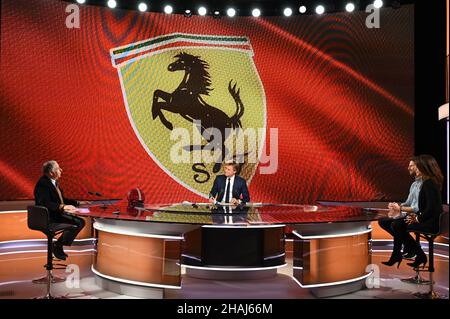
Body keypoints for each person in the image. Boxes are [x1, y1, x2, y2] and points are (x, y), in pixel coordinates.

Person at [381, 154, 443, 269]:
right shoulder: (428, 183)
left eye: (418, 167)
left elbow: (431, 209)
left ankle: (417, 254)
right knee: (395, 224)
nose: (416, 170)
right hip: (427, 220)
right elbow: (426, 208)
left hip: (431, 223)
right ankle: (417, 255)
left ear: (425, 168)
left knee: (397, 225)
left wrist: (417, 218)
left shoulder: (429, 184)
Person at [34, 160, 86, 260]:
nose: (61, 170)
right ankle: (58, 245)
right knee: (78, 222)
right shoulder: (43, 183)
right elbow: (44, 203)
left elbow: (61, 199)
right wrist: (62, 207)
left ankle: (58, 245)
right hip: (49, 218)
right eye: (58, 168)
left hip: (56, 214)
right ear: (51, 173)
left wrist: (78, 203)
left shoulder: (53, 182)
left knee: (80, 222)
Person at [378, 158, 423, 258]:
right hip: (410, 214)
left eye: (411, 165)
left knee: (396, 224)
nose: (408, 168)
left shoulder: (425, 185)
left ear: (419, 167)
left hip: (418, 217)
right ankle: (409, 246)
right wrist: (396, 206)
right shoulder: (414, 184)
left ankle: (414, 248)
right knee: (383, 221)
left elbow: (417, 208)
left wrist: (400, 209)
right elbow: (408, 203)